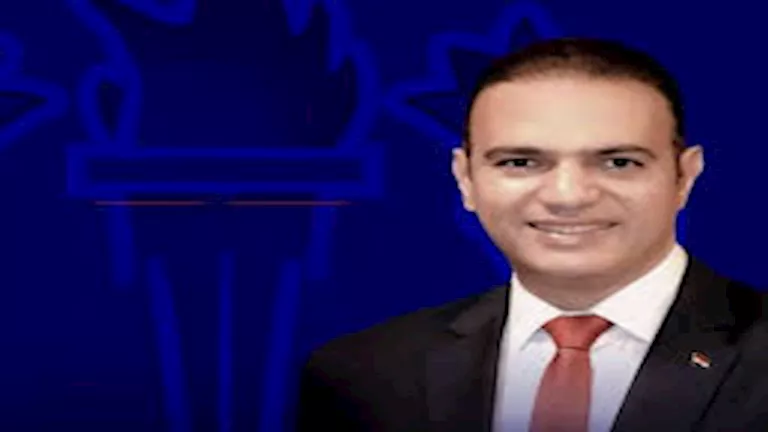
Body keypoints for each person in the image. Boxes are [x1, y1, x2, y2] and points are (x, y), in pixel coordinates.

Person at [294, 37, 768, 431]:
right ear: (466, 179)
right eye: (520, 162)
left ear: (685, 177)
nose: (568, 196)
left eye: (618, 162)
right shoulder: (361, 375)